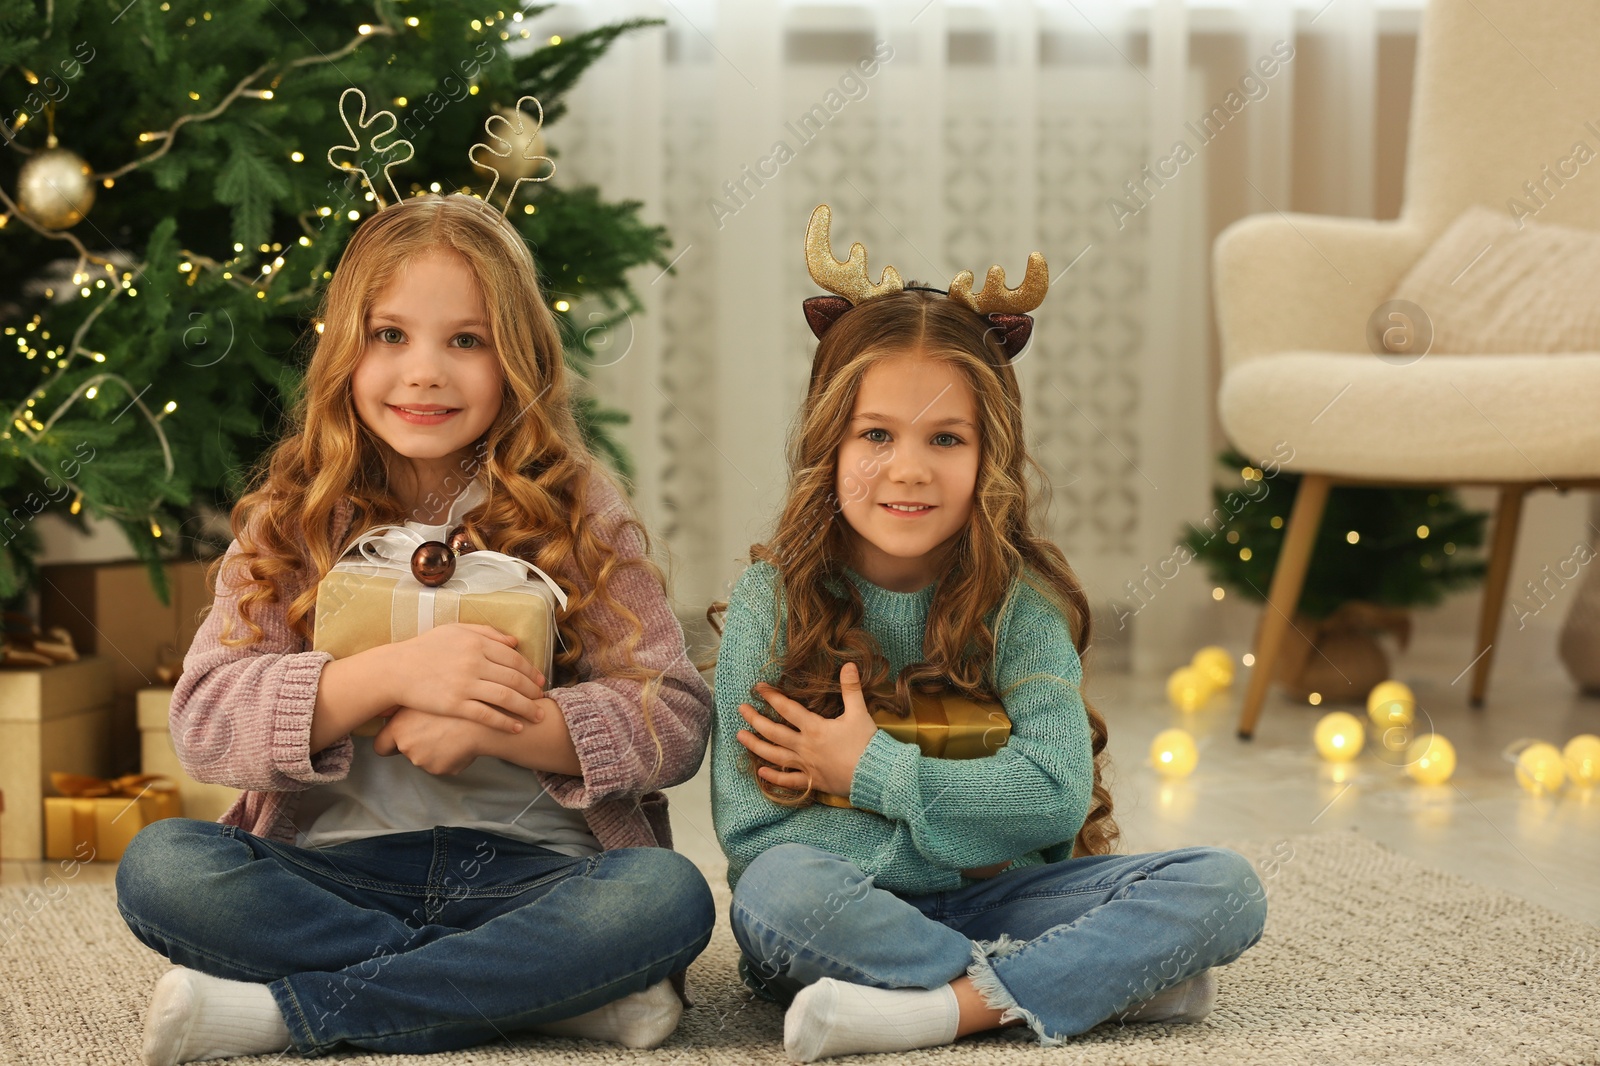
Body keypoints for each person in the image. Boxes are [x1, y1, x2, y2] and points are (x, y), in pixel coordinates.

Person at [116, 193, 715, 1065]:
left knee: (664, 897)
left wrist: (509, 724)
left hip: (537, 879)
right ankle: (544, 996)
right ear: (343, 355)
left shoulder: (581, 511)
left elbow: (675, 718)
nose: (425, 371)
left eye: (465, 341)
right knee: (162, 869)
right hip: (334, 875)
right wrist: (385, 680)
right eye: (389, 336)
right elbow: (204, 722)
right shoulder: (291, 519)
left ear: (519, 359)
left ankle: (292, 1015)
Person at [709, 206, 1268, 1061]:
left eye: (946, 437)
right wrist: (965, 845)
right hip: (845, 907)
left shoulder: (1020, 606)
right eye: (876, 435)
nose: (909, 468)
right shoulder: (770, 601)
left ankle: (938, 1012)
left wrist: (868, 771)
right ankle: (1079, 982)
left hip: (1006, 899)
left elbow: (1052, 796)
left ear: (989, 454)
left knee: (1224, 890)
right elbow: (757, 836)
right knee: (779, 893)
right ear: (830, 442)